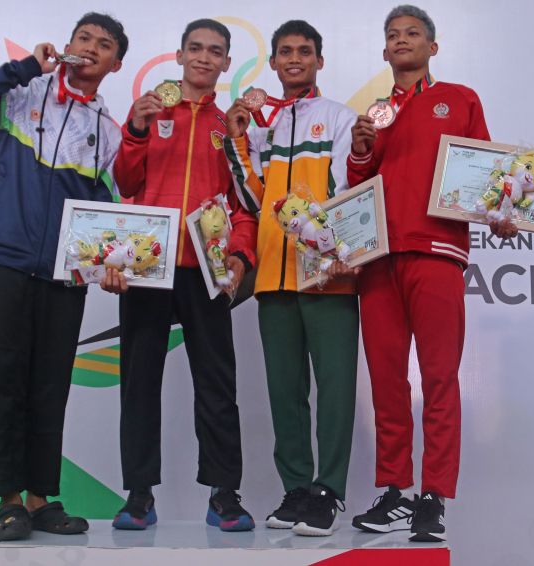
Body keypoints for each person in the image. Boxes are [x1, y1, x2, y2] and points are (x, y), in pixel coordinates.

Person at [0, 12, 129, 543]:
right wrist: (25, 65)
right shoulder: (22, 94)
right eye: (84, 38)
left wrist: (111, 262)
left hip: (65, 273)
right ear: (68, 44)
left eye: (103, 45)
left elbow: (105, 211)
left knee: (50, 385)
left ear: (115, 64)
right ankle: (9, 503)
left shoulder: (109, 133)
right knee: (3, 380)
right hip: (6, 255)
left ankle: (40, 498)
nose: (90, 48)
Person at [346, 4, 518, 542]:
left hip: (438, 252)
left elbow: (486, 171)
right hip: (377, 259)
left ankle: (433, 496)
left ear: (432, 47)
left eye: (412, 34)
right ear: (383, 51)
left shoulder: (460, 99)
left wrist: (503, 210)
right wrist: (357, 151)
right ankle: (395, 490)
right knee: (386, 380)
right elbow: (358, 183)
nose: (401, 41)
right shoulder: (374, 113)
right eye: (392, 35)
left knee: (440, 378)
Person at [110, 18, 257, 532]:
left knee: (217, 383)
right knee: (139, 382)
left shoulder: (229, 127)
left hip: (208, 269)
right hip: (149, 266)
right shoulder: (152, 112)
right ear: (178, 55)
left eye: (214, 51)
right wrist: (136, 128)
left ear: (224, 63)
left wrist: (239, 256)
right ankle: (138, 495)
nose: (203, 57)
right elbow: (125, 181)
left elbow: (244, 206)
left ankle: (224, 494)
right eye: (195, 48)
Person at [225, 20, 358, 537]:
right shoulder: (261, 127)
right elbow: (253, 200)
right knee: (284, 391)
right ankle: (297, 489)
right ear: (274, 64)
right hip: (273, 278)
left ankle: (329, 491)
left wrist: (335, 252)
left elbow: (350, 190)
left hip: (328, 277)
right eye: (286, 52)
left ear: (319, 61)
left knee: (336, 389)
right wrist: (237, 140)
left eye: (305, 51)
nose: (295, 59)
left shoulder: (340, 118)